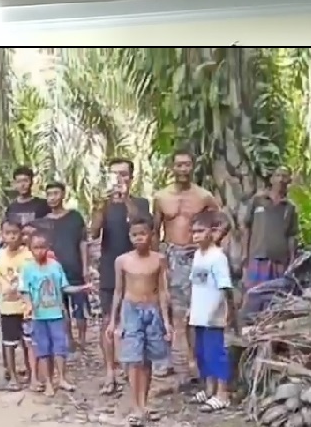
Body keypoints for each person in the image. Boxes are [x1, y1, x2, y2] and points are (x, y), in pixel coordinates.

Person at [153, 148, 222, 381]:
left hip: (196, 258)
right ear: (172, 168)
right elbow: (155, 231)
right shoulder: (161, 197)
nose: (183, 169)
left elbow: (223, 221)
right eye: (179, 164)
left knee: (197, 309)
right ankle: (174, 362)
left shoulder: (203, 196)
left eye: (187, 165)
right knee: (171, 308)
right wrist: (158, 260)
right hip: (171, 255)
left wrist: (210, 242)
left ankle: (197, 362)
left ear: (193, 167)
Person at [91, 157, 152, 395]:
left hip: (137, 270)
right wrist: (102, 206)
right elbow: (94, 231)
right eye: (115, 174)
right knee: (108, 320)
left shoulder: (140, 203)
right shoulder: (103, 204)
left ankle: (132, 368)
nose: (119, 179)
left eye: (124, 174)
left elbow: (142, 223)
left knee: (135, 321)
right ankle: (110, 371)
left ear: (131, 177)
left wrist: (125, 198)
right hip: (109, 267)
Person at [109, 217, 171, 427]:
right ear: (129, 237)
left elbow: (163, 291)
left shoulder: (159, 259)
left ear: (151, 235)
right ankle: (135, 406)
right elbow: (118, 291)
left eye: (142, 234)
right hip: (131, 310)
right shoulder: (122, 261)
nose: (139, 238)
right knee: (134, 360)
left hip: (152, 311)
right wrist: (113, 321)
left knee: (148, 360)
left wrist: (166, 320)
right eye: (134, 235)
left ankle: (144, 404)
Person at [187, 212, 235, 411]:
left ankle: (223, 394)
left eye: (201, 231)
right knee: (203, 353)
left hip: (213, 315)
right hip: (199, 312)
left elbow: (226, 287)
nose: (196, 235)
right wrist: (191, 308)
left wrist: (227, 310)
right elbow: (197, 283)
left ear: (212, 232)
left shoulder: (218, 257)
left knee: (216, 353)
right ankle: (209, 389)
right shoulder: (199, 255)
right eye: (194, 232)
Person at [19, 232, 74, 396]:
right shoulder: (27, 268)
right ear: (30, 249)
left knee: (60, 348)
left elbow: (64, 287)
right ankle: (48, 382)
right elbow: (24, 291)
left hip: (56, 313)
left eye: (43, 247)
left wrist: (80, 289)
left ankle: (62, 378)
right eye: (36, 248)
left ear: (48, 247)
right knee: (44, 350)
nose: (39, 251)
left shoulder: (55, 266)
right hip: (38, 316)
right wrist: (28, 305)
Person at [39, 182, 91, 346]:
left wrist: (85, 267)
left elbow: (83, 243)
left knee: (80, 307)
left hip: (74, 268)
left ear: (63, 195)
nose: (52, 198)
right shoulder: (43, 222)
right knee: (62, 308)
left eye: (56, 193)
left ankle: (82, 339)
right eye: (49, 194)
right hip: (53, 270)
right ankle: (69, 340)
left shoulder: (75, 217)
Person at [239, 167, 299, 287]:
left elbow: (291, 236)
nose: (281, 179)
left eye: (285, 176)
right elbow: (246, 227)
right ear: (271, 179)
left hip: (279, 261)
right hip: (257, 258)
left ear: (289, 181)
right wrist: (245, 253)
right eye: (278, 175)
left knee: (275, 298)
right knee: (254, 293)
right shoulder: (258, 200)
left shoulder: (290, 207)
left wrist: (292, 260)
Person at [0, 219, 34, 391]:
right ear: (1, 235)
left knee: (29, 342)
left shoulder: (28, 254)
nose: (11, 236)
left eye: (15, 233)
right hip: (7, 306)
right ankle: (12, 375)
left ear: (21, 234)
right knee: (9, 342)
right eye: (7, 233)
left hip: (26, 306)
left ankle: (33, 375)